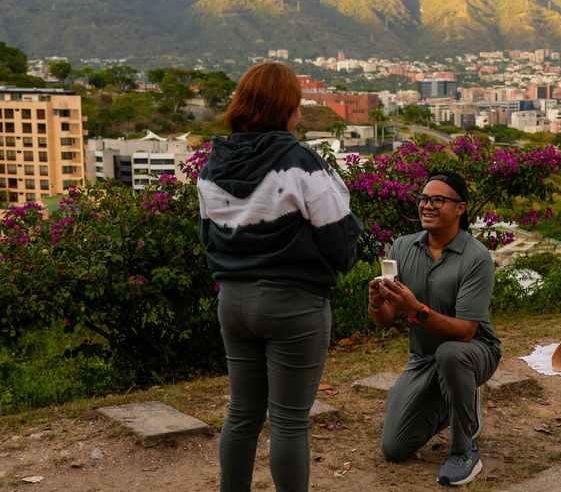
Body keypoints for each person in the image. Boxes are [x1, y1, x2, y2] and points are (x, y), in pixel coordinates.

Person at [197, 62, 363, 492]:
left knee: (242, 413)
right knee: (289, 422)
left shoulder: (214, 162)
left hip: (232, 301)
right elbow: (340, 239)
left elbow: (208, 237)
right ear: (287, 106)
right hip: (293, 303)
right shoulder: (299, 161)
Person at [368, 169, 501, 487]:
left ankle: (464, 449)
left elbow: (466, 332)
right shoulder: (401, 248)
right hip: (424, 358)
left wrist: (416, 310)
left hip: (474, 351)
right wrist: (376, 303)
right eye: (424, 199)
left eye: (438, 199)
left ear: (460, 208)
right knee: (394, 449)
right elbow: (386, 320)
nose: (427, 205)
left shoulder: (476, 258)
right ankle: (462, 402)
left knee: (452, 354)